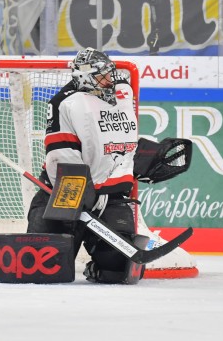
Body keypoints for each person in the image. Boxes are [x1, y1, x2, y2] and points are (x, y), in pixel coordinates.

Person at [27, 47, 145, 284]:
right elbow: (61, 156)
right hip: (66, 193)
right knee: (44, 267)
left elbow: (123, 140)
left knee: (118, 268)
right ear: (85, 76)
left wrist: (144, 162)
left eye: (110, 74)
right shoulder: (65, 103)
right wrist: (84, 192)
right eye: (103, 75)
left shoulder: (121, 93)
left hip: (110, 196)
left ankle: (95, 268)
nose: (110, 79)